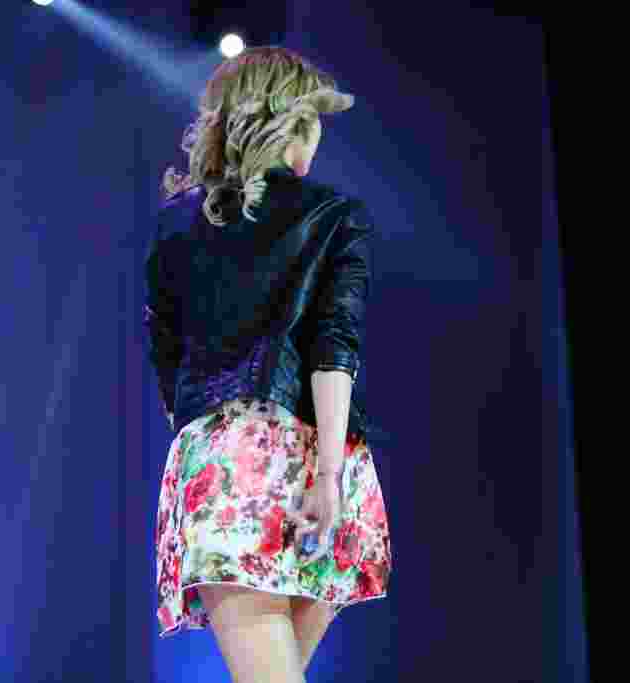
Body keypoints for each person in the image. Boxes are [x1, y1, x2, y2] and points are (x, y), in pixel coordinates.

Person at [144, 46, 392, 682]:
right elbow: (334, 349)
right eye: (315, 123)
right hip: (319, 459)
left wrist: (209, 441)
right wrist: (329, 474)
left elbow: (166, 357)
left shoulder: (175, 224)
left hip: (224, 463)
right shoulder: (336, 215)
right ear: (294, 124)